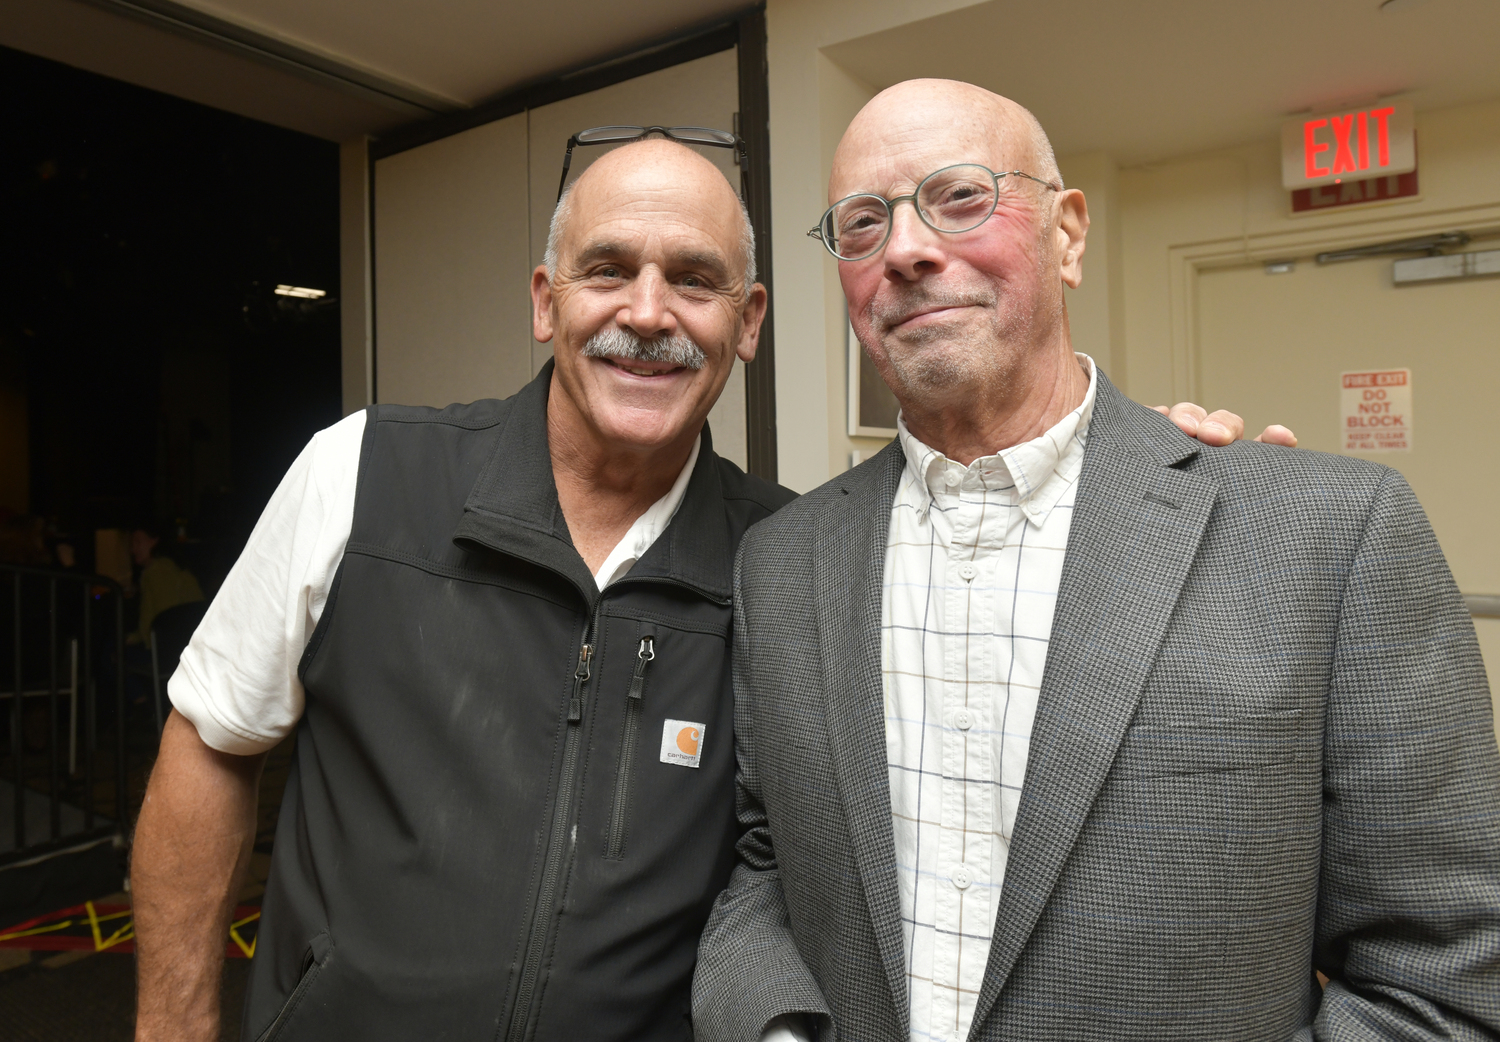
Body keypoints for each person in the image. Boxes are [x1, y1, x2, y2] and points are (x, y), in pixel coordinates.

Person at [129, 133, 1283, 1041]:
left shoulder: (791, 561)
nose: (646, 314)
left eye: (694, 280)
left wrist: (1151, 479)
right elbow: (214, 740)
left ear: (749, 323)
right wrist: (170, 1028)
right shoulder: (363, 473)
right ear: (545, 301)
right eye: (606, 272)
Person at [692, 80, 1500, 1042]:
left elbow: (1439, 978)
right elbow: (767, 862)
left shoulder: (1328, 535)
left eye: (959, 196)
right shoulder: (782, 563)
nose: (905, 249)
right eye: (862, 225)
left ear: (1068, 234)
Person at [128, 520, 204, 646]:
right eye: (132, 543)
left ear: (154, 541)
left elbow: (166, 619)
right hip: (178, 642)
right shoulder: (164, 567)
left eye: (138, 542)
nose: (133, 549)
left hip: (173, 647)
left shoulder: (160, 570)